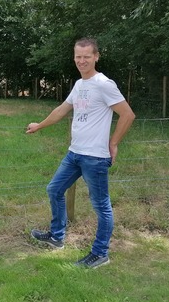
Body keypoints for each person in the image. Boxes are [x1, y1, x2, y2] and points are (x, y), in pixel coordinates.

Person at [26, 37, 135, 268]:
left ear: (96, 57)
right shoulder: (79, 85)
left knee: (101, 206)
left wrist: (113, 143)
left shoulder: (104, 84)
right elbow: (61, 110)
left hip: (95, 158)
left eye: (87, 56)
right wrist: (39, 125)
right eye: (78, 56)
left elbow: (127, 115)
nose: (82, 61)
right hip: (74, 153)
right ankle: (57, 237)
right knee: (54, 189)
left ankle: (100, 253)